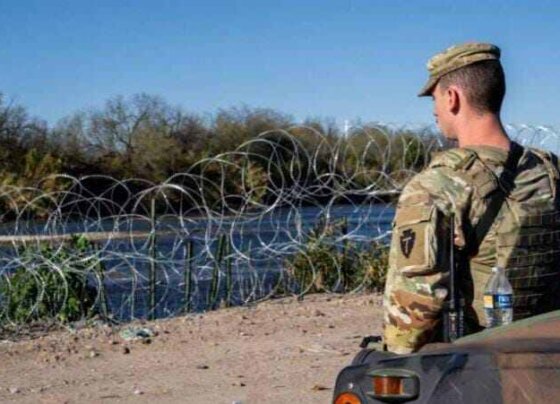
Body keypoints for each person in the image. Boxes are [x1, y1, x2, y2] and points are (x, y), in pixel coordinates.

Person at [383, 42, 560, 354]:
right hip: (549, 357)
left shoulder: (436, 185)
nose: (435, 111)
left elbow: (414, 314)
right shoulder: (549, 171)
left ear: (452, 98)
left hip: (479, 364)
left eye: (435, 99)